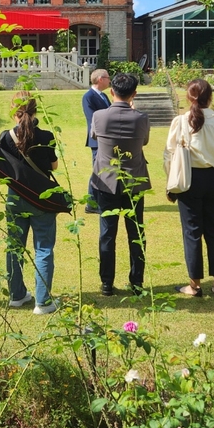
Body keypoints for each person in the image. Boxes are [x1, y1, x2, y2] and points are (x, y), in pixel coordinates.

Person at [167, 79, 214, 298]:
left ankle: (194, 284)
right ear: (210, 97)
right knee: (213, 231)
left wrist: (172, 181)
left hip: (190, 179)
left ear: (188, 97)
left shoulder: (181, 121)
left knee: (192, 232)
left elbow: (170, 155)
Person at [0, 93, 59, 315]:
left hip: (15, 197)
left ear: (14, 112)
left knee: (14, 248)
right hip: (41, 197)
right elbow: (54, 166)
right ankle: (42, 302)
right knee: (43, 248)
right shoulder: (46, 136)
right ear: (35, 111)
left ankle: (16, 295)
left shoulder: (5, 137)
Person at [89, 72, 150, 296]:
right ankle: (137, 281)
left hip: (106, 181)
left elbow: (94, 137)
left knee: (107, 234)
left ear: (112, 91)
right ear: (134, 94)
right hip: (134, 181)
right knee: (136, 233)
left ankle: (107, 282)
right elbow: (144, 141)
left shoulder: (99, 116)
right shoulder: (141, 118)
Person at [82, 68, 111, 213]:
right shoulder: (88, 96)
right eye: (107, 78)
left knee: (102, 171)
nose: (109, 80)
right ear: (100, 79)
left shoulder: (104, 95)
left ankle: (96, 202)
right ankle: (91, 204)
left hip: (106, 139)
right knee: (97, 172)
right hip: (97, 139)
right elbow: (93, 118)